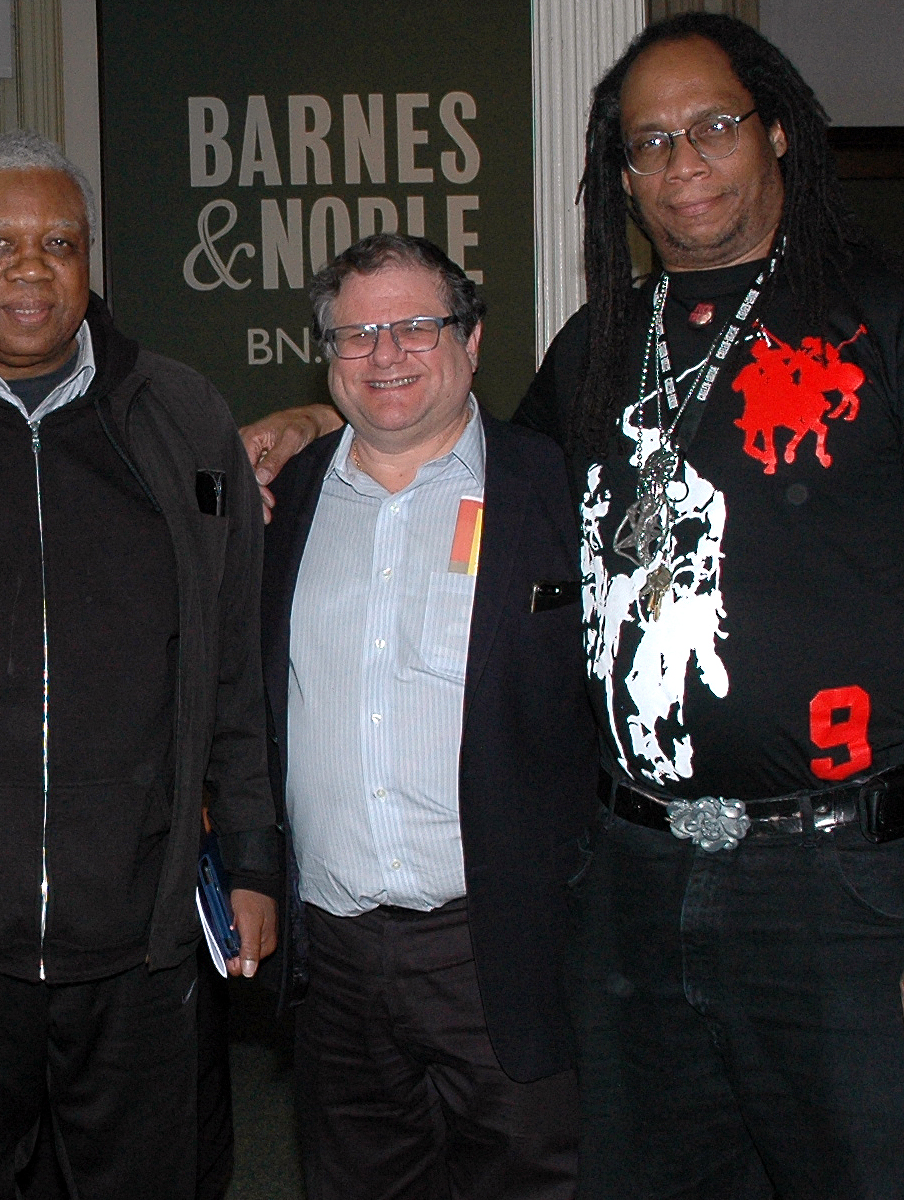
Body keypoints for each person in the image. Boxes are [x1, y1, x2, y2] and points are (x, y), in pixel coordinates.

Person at [245, 12, 904, 1197]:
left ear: (781, 136)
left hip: (833, 880)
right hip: (632, 877)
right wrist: (316, 422)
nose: (682, 163)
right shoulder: (603, 342)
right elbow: (455, 454)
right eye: (649, 143)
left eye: (712, 127)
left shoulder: (880, 313)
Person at [0, 130, 279, 1200]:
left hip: (139, 943)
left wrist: (260, 862)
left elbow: (232, 658)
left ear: (92, 264)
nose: (31, 267)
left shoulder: (180, 418)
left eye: (59, 243)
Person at [260, 234, 594, 1199]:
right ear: (326, 357)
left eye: (415, 325)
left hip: (503, 948)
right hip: (338, 961)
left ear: (472, 339)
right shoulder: (290, 498)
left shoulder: (554, 489)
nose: (386, 354)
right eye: (356, 333)